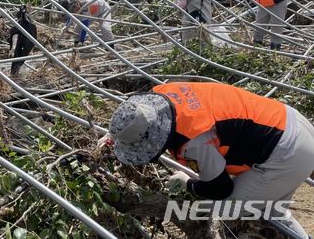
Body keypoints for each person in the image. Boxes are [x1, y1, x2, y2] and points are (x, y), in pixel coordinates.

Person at [103, 82, 314, 237]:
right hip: (291, 122)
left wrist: (188, 183)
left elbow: (221, 188)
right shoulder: (162, 94)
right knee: (273, 209)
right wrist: (113, 136)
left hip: (285, 154)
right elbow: (134, 120)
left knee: (225, 212)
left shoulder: (193, 140)